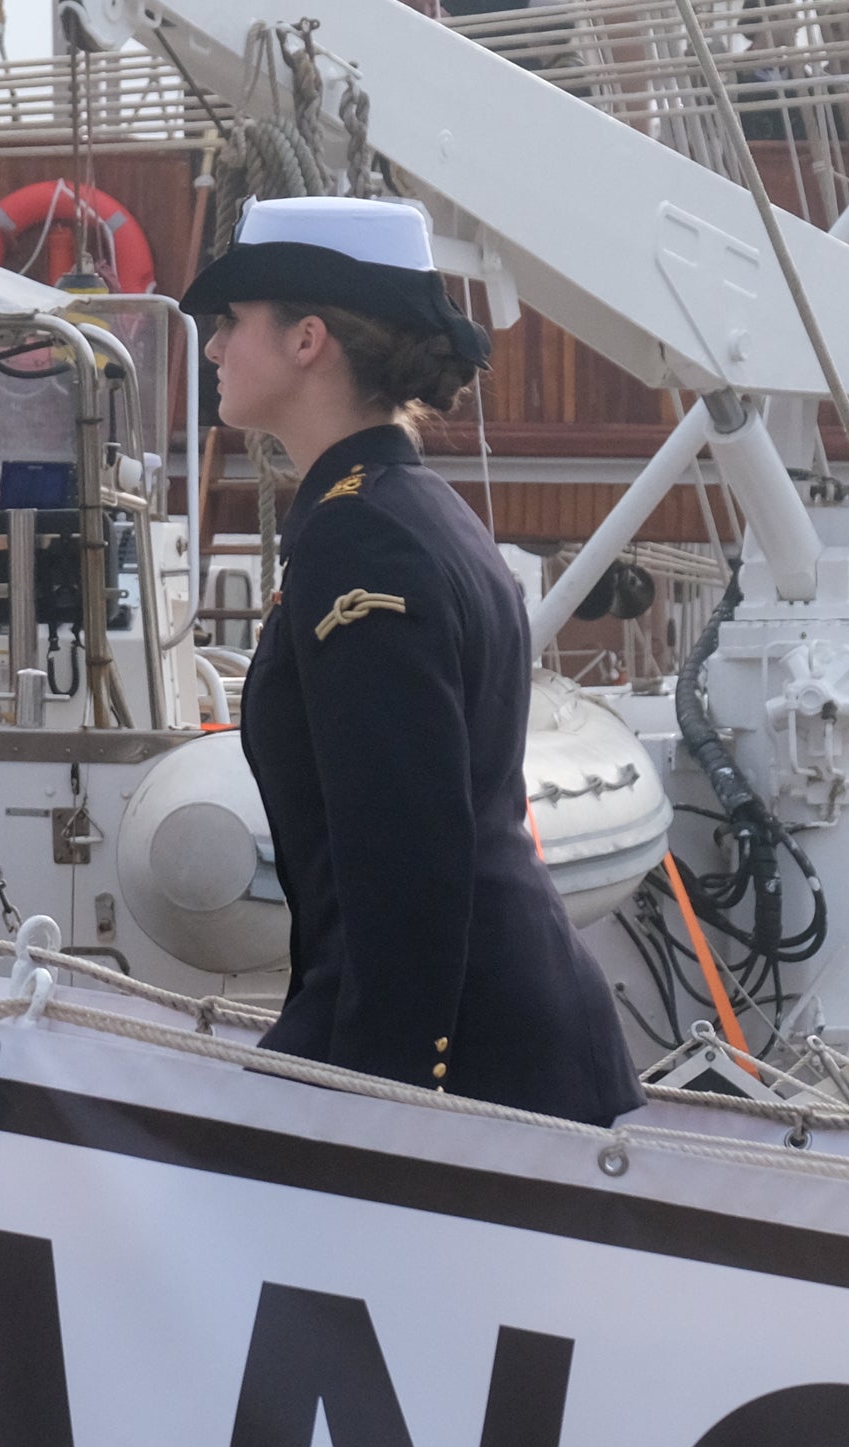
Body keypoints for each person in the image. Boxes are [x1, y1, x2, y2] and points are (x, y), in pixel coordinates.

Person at [184, 197, 642, 1126]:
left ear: (307, 338)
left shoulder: (362, 542)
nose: (212, 348)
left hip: (464, 1058)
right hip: (487, 1029)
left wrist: (382, 1100)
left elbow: (406, 862)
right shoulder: (401, 511)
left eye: (232, 321)